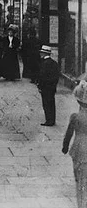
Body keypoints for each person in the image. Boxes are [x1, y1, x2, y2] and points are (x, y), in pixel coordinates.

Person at [62, 80, 87, 208]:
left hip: (79, 149)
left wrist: (65, 146)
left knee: (81, 182)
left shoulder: (75, 117)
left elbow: (69, 134)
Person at [37, 45, 61, 126]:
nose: (40, 54)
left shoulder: (44, 63)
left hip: (45, 87)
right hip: (52, 87)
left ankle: (48, 120)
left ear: (44, 54)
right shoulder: (54, 63)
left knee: (46, 104)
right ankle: (52, 120)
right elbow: (57, 76)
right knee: (51, 103)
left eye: (41, 53)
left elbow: (42, 76)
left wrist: (39, 86)